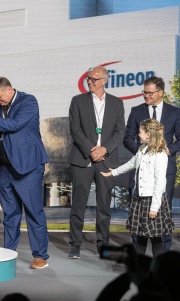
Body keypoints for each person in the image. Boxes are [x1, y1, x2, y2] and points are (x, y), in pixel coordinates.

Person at [0, 77, 50, 269]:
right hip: (5, 168)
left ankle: (40, 256)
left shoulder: (28, 102)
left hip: (28, 167)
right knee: (10, 214)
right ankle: (8, 252)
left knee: (33, 212)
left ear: (9, 89)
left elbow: (14, 124)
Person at [68, 65, 125, 259]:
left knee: (104, 207)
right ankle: (75, 245)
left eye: (93, 79)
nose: (89, 81)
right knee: (78, 206)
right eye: (88, 79)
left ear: (104, 81)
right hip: (82, 160)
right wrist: (92, 150)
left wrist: (104, 149)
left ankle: (103, 245)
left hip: (105, 161)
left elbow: (119, 132)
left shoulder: (117, 104)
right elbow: (75, 130)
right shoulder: (77, 101)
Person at [123, 76, 180, 252]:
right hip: (141, 172)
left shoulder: (174, 112)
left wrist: (166, 150)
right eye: (144, 92)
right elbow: (128, 138)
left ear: (160, 92)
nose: (146, 96)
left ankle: (162, 258)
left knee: (163, 211)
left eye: (149, 92)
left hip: (165, 170)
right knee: (139, 213)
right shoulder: (136, 111)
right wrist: (142, 153)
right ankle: (138, 257)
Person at [101, 119, 174, 257]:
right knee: (140, 235)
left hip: (152, 200)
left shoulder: (160, 154)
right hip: (139, 199)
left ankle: (158, 269)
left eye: (140, 132)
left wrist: (154, 207)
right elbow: (131, 163)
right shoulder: (142, 149)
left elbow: (160, 182)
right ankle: (139, 267)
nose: (138, 135)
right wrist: (113, 172)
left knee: (156, 237)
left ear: (148, 135)